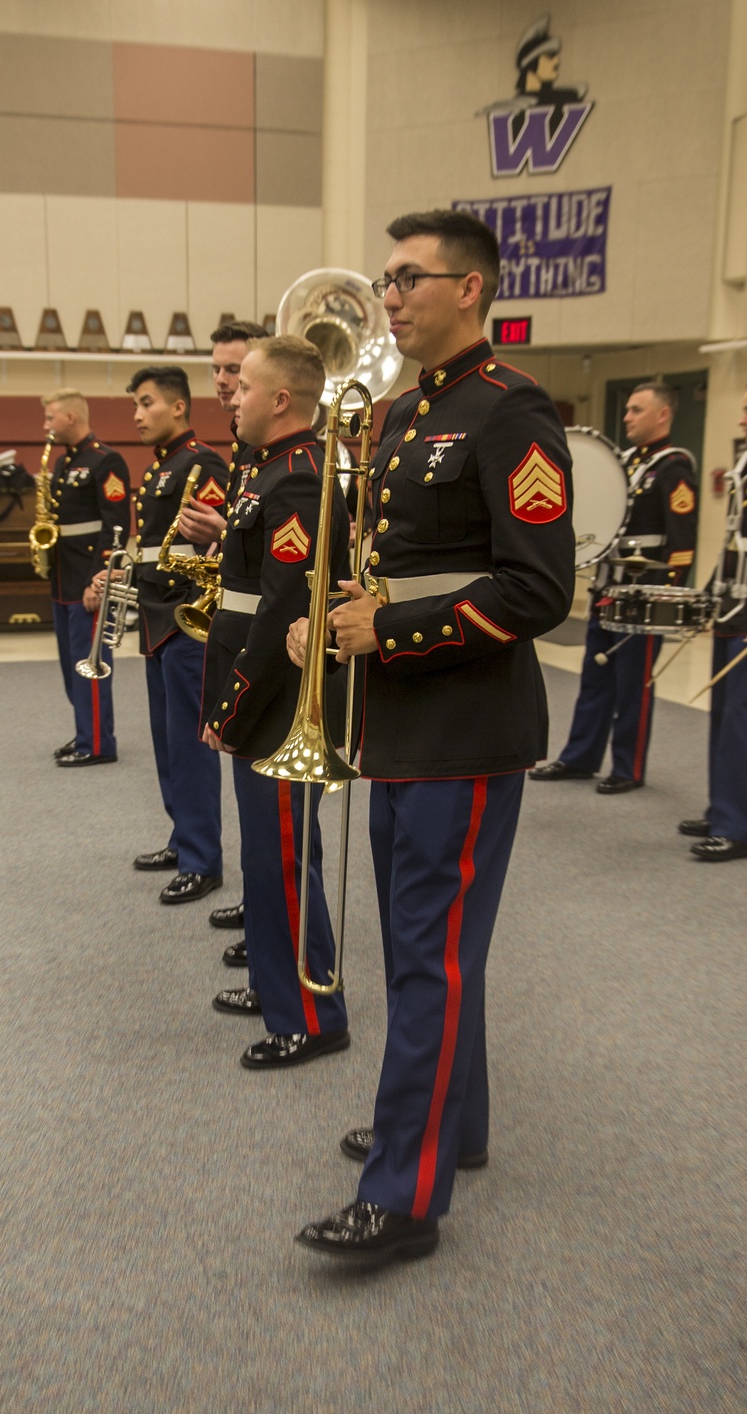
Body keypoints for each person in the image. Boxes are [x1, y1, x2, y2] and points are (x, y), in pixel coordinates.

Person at [290, 209, 575, 1265]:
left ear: (471, 289)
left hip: (463, 724)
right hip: (403, 719)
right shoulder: (406, 413)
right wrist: (343, 606)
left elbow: (538, 588)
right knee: (436, 952)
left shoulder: (512, 413)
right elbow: (407, 555)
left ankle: (404, 1195)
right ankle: (451, 1128)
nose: (389, 295)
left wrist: (393, 627)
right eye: (387, 276)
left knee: (427, 959)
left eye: (409, 278)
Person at [201, 334, 351, 1065]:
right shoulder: (268, 470)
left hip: (277, 703)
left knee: (285, 858)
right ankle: (272, 980)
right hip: (255, 695)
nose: (232, 395)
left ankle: (313, 1019)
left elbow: (278, 610)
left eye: (245, 387)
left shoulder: (298, 478)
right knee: (267, 857)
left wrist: (232, 710)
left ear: (282, 399)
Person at [530, 382, 698, 793]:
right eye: (627, 410)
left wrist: (664, 597)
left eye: (637, 410)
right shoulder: (622, 463)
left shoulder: (673, 466)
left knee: (632, 686)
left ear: (663, 415)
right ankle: (579, 757)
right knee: (595, 678)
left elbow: (682, 542)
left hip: (643, 595)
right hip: (610, 588)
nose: (627, 417)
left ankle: (628, 766)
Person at [128, 365, 229, 904]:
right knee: (167, 742)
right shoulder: (162, 468)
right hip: (155, 614)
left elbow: (214, 547)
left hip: (185, 621)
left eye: (146, 403)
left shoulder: (201, 463)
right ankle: (182, 835)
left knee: (190, 746)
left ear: (178, 407)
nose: (138, 415)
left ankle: (201, 858)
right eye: (135, 406)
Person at [201, 321, 271, 981]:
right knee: (259, 820)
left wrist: (229, 532)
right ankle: (262, 909)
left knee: (279, 829)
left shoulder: (284, 461)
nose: (224, 384)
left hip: (266, 658)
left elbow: (280, 577)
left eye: (237, 373)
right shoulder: (244, 453)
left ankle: (274, 925)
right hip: (241, 643)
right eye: (220, 372)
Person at [42, 388, 131, 768]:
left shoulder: (105, 460)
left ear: (71, 418)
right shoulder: (63, 464)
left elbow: (116, 526)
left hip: (87, 580)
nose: (45, 426)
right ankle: (85, 732)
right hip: (62, 578)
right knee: (70, 665)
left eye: (50, 418)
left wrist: (100, 580)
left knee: (89, 662)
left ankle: (98, 743)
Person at [679, 388, 747, 862]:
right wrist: (709, 589)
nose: (741, 412)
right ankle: (725, 805)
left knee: (740, 721)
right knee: (724, 717)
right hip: (732, 606)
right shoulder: (742, 461)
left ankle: (735, 823)